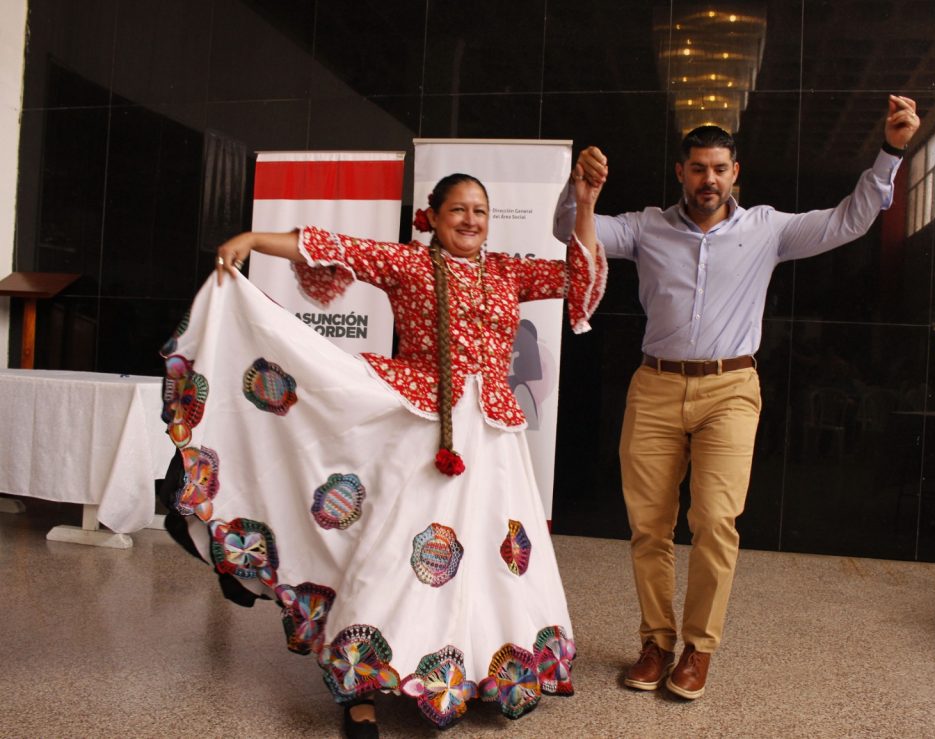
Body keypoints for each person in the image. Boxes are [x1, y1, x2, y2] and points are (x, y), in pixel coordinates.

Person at [159, 173, 606, 736]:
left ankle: (470, 668)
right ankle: (359, 689)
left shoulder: (507, 272)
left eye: (480, 211)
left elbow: (580, 281)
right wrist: (252, 238)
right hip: (421, 432)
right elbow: (329, 246)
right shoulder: (409, 263)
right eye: (458, 210)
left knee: (492, 558)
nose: (470, 220)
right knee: (394, 555)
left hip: (494, 439)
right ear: (433, 217)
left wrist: (585, 205)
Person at [553, 95, 920, 700]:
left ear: (735, 172)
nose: (709, 179)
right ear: (681, 171)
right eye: (698, 168)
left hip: (730, 388)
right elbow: (568, 233)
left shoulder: (767, 228)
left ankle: (698, 649)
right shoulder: (645, 226)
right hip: (656, 385)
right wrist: (581, 195)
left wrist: (891, 150)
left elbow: (849, 220)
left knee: (716, 521)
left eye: (720, 169)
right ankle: (656, 641)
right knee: (649, 526)